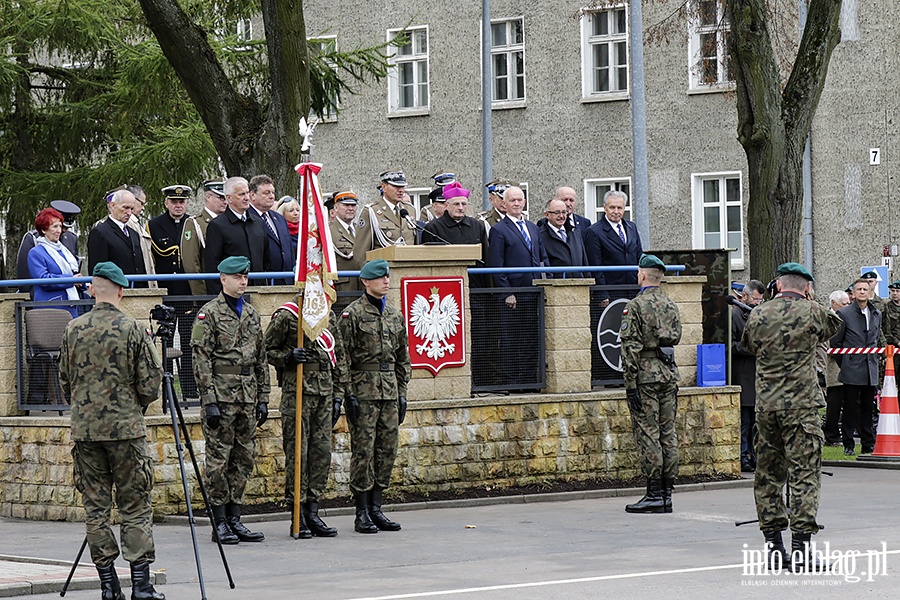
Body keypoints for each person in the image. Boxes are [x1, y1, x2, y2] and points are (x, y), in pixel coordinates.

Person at [59, 261, 164, 600]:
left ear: (92, 289)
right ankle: (142, 587)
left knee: (96, 509)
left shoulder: (73, 329)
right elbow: (150, 384)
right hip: (126, 431)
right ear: (121, 290)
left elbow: (64, 380)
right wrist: (134, 406)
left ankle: (108, 586)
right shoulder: (131, 328)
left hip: (87, 432)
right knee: (134, 506)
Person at [742, 262, 841, 572]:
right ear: (807, 287)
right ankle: (801, 550)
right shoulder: (813, 313)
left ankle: (774, 547)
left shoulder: (758, 313)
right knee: (804, 475)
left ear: (778, 284)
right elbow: (833, 326)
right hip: (801, 407)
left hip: (767, 406)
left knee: (767, 475)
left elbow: (749, 345)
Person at [192, 256, 270, 544]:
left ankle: (235, 518)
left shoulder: (251, 313)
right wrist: (209, 399)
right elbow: (200, 359)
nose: (242, 282)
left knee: (243, 457)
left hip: (247, 397)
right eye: (237, 277)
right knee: (218, 460)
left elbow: (260, 359)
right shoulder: (208, 314)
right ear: (223, 278)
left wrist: (263, 396)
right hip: (222, 397)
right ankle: (220, 521)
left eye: (245, 277)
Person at [265, 299, 349, 538]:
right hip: (298, 392)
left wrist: (337, 396)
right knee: (297, 454)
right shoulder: (287, 315)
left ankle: (313, 510)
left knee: (321, 453)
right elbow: (267, 349)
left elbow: (339, 357)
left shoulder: (328, 315)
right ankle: (297, 514)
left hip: (325, 393)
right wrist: (288, 357)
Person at [338, 259, 411, 534]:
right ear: (366, 282)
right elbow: (342, 358)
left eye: (387, 277)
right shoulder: (351, 315)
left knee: (386, 449)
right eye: (379, 278)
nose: (385, 281)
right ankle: (361, 511)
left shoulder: (394, 315)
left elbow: (403, 358)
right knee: (363, 451)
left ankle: (377, 507)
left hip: (389, 391)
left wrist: (402, 393)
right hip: (363, 391)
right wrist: (348, 394)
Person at [620, 254, 682, 514]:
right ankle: (667, 493)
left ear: (642, 275)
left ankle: (654, 493)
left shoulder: (635, 306)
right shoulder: (670, 304)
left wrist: (630, 383)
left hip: (644, 375)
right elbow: (676, 336)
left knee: (648, 433)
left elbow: (630, 346)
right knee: (668, 433)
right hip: (667, 373)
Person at [148, 185, 197, 398]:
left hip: (187, 292)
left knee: (188, 342)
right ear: (166, 203)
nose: (178, 206)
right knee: (164, 341)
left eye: (182, 202)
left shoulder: (192, 223)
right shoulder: (154, 225)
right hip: (165, 293)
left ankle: (189, 390)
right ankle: (165, 391)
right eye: (174, 202)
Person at [831, 278, 882, 456]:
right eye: (859, 289)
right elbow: (835, 343)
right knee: (850, 408)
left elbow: (877, 338)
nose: (862, 292)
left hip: (870, 367)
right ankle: (848, 444)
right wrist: (845, 362)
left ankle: (868, 443)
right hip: (852, 367)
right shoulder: (844, 314)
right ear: (853, 293)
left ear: (869, 292)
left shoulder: (876, 313)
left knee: (869, 407)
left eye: (865, 289)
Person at [203, 177, 270, 294]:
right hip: (231, 293)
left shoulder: (258, 222)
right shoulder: (217, 225)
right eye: (241, 194)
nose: (247, 198)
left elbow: (267, 261)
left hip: (259, 291)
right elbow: (212, 265)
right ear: (229, 198)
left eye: (248, 193)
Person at [488, 185, 549, 308]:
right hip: (514, 294)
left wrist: (547, 284)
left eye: (519, 200)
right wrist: (507, 292)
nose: (516, 203)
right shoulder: (498, 230)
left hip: (536, 291)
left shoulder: (533, 228)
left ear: (524, 202)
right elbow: (497, 264)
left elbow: (543, 258)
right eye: (512, 200)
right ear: (505, 204)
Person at [423, 183, 491, 288]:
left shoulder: (477, 225)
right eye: (456, 204)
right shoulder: (433, 228)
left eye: (464, 204)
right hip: (446, 286)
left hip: (475, 286)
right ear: (446, 206)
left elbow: (486, 258)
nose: (461, 208)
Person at [583, 190, 643, 305]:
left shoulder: (631, 227)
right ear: (605, 208)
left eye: (620, 208)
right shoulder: (594, 232)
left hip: (634, 289)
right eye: (612, 207)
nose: (616, 211)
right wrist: (602, 293)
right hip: (612, 292)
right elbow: (596, 266)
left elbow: (639, 255)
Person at [731, 279, 765, 472]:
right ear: (743, 296)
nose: (757, 303)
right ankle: (743, 455)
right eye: (754, 299)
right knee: (744, 422)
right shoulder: (735, 315)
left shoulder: (759, 316)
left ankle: (752, 455)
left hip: (757, 376)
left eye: (760, 300)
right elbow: (732, 345)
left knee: (754, 422)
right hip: (743, 374)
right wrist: (753, 348)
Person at [16, 200, 81, 297]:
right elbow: (25, 273)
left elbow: (74, 268)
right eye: (56, 226)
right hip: (46, 298)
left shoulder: (71, 238)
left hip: (71, 296)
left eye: (61, 226)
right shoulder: (33, 239)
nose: (61, 230)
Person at [27, 208, 82, 317]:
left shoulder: (64, 250)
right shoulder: (36, 252)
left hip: (70, 305)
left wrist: (81, 281)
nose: (59, 230)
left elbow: (73, 274)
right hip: (51, 306)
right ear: (43, 229)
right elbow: (43, 280)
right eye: (55, 226)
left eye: (60, 226)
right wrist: (71, 280)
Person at [352, 170, 418, 256]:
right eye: (396, 186)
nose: (401, 190)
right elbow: (360, 251)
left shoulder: (409, 209)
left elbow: (415, 244)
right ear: (384, 187)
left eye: (402, 187)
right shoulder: (371, 211)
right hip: (383, 267)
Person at [87, 189, 146, 285]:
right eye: (125, 208)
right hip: (113, 291)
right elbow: (97, 269)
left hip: (136, 291)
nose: (129, 213)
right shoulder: (100, 232)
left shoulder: (134, 234)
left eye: (131, 209)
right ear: (112, 206)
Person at [181, 179, 228, 296]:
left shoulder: (229, 222)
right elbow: (191, 264)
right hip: (209, 289)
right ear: (208, 197)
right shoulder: (195, 223)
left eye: (226, 198)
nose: (225, 202)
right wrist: (201, 294)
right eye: (221, 198)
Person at [248, 174, 293, 285]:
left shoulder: (279, 218)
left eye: (273, 192)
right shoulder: (247, 218)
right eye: (266, 193)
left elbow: (288, 249)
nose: (272, 196)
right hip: (265, 282)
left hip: (286, 281)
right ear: (252, 195)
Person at [823, 290, 851, 446]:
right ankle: (831, 435)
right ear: (834, 303)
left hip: (845, 365)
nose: (847, 306)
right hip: (833, 366)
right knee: (834, 403)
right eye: (844, 304)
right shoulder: (829, 318)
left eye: (848, 303)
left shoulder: (844, 317)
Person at [537, 197, 588, 278]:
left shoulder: (575, 232)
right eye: (557, 213)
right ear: (547, 215)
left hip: (579, 286)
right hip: (556, 286)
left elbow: (584, 262)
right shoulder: (540, 236)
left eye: (564, 212)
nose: (561, 216)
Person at [329, 191, 363, 292]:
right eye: (346, 205)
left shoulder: (360, 230)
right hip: (342, 288)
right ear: (336, 208)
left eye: (353, 205)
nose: (350, 208)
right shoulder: (329, 230)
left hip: (362, 287)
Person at [127, 185, 158, 289]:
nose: (143, 208)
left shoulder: (135, 223)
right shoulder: (128, 224)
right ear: (132, 199)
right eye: (141, 203)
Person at [275, 195, 301, 261]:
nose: (296, 213)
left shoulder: (304, 229)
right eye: (291, 210)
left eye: (297, 210)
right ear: (282, 213)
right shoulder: (277, 230)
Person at [882, 281, 900, 347]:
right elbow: (886, 331)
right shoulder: (887, 307)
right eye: (893, 291)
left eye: (897, 291)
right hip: (893, 345)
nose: (894, 293)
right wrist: (897, 342)